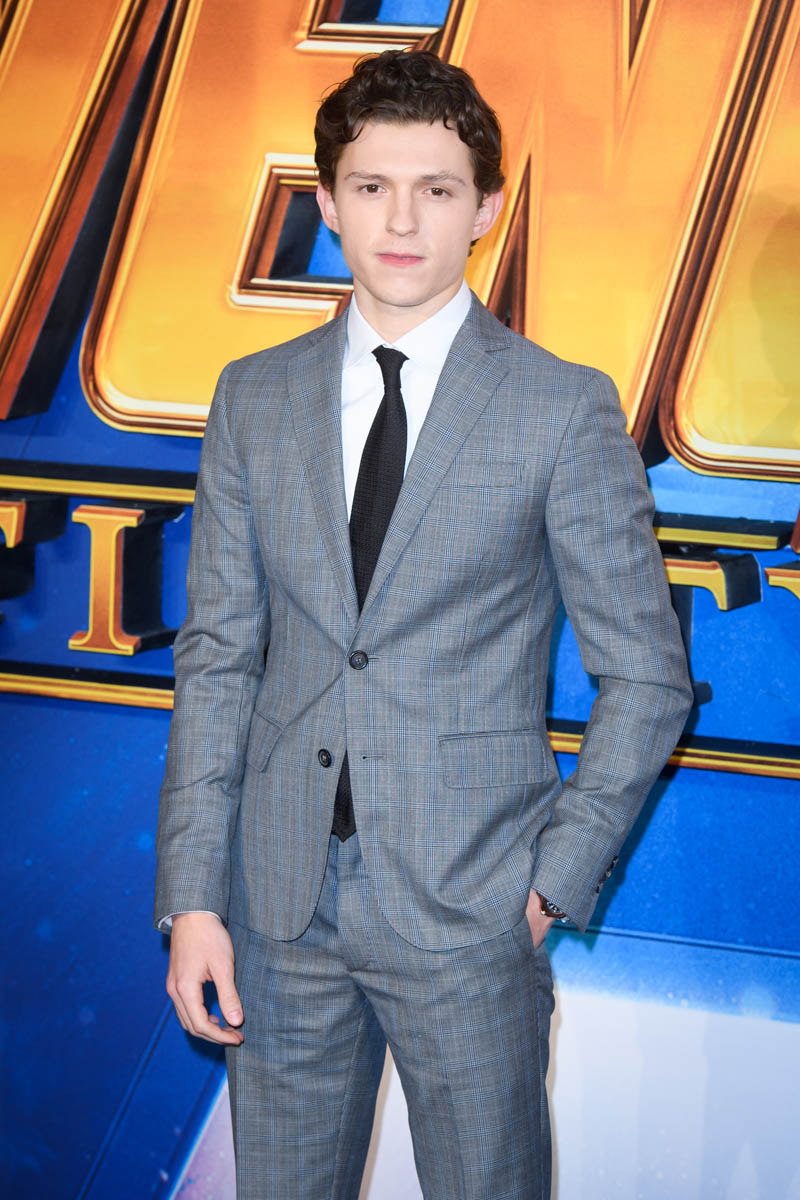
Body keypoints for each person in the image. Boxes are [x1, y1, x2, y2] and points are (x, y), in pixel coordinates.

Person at [155, 49, 692, 1200]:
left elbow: (646, 676)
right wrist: (194, 896)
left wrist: (552, 879)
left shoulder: (559, 408)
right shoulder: (252, 396)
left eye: (436, 189)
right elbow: (217, 658)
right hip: (277, 911)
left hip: (472, 907)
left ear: (485, 208)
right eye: (370, 186)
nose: (400, 221)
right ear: (325, 202)